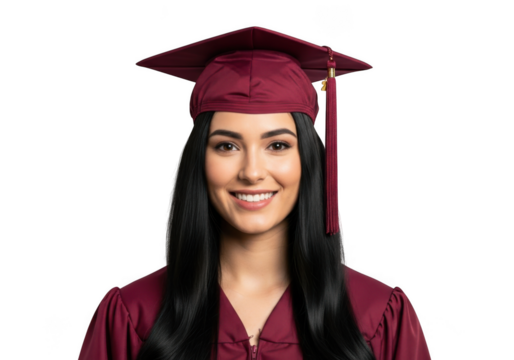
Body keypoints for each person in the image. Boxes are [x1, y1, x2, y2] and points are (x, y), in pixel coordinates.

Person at [78, 26, 432, 360]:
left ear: (307, 161)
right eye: (227, 146)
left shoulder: (377, 315)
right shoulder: (132, 315)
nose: (251, 172)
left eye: (277, 145)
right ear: (199, 160)